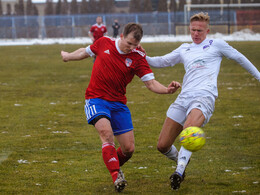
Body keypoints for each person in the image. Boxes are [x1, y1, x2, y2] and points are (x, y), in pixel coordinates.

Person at [146, 12, 260, 190]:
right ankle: (181, 161)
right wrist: (139, 56)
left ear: (207, 31)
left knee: (189, 131)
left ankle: (179, 172)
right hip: (184, 97)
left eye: (199, 30)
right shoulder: (185, 48)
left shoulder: (217, 45)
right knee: (162, 145)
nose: (196, 34)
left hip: (204, 96)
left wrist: (259, 77)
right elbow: (161, 61)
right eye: (193, 30)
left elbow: (240, 58)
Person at [61, 23, 181, 192]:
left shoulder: (138, 56)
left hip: (118, 104)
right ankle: (116, 176)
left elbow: (151, 83)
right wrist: (67, 56)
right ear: (122, 36)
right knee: (106, 134)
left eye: (135, 45)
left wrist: (167, 90)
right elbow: (85, 52)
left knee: (129, 149)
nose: (131, 48)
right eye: (129, 44)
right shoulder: (104, 43)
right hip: (96, 99)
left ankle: (114, 164)